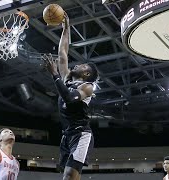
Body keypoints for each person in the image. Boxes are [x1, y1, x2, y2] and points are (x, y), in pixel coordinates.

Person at [43, 12, 99, 180]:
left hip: (81, 134)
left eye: (82, 65)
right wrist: (66, 28)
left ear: (87, 73)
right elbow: (62, 52)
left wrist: (55, 75)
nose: (78, 64)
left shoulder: (87, 87)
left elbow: (68, 97)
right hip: (67, 134)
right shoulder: (67, 77)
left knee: (69, 175)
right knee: (68, 176)